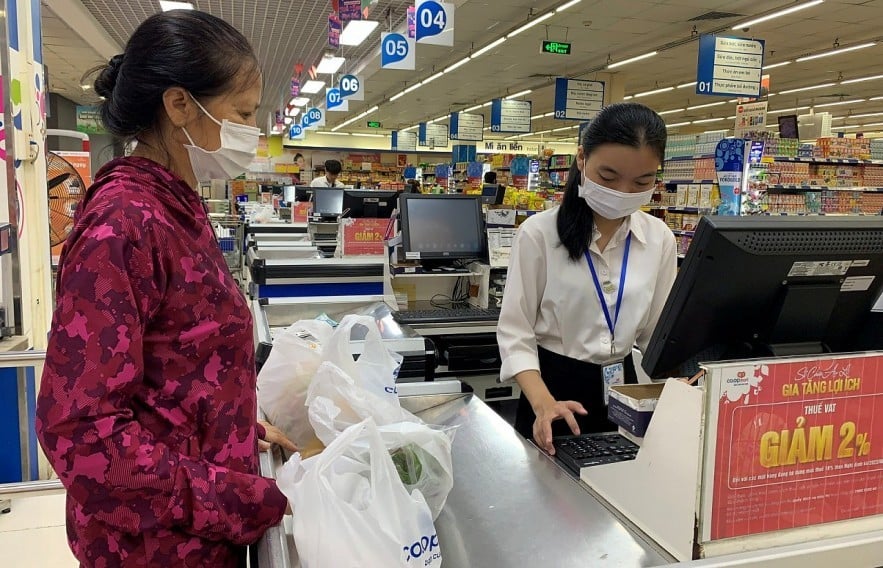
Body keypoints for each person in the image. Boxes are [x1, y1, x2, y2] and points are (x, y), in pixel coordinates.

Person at [35, 10, 297, 567]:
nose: (253, 133)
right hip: (153, 549)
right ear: (179, 105)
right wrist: (232, 497)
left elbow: (174, 364)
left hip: (197, 535)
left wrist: (240, 429)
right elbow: (80, 432)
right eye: (243, 114)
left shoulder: (176, 206)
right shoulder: (124, 224)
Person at [497, 102, 677, 455]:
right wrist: (543, 403)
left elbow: (659, 335)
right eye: (608, 177)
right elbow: (515, 333)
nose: (624, 192)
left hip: (625, 393)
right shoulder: (539, 234)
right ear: (582, 160)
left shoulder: (659, 239)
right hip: (551, 392)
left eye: (642, 181)